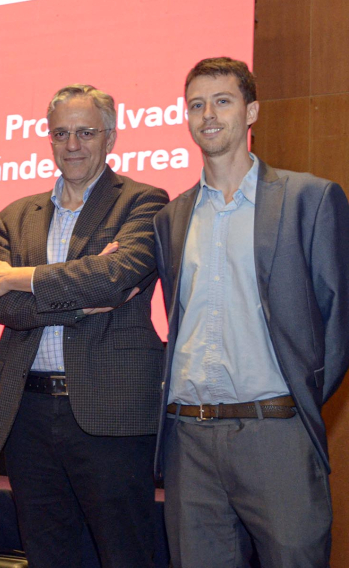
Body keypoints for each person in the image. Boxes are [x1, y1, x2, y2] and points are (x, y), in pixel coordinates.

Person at [153, 57, 349, 567]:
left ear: (252, 110)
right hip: (189, 442)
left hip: (275, 435)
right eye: (196, 104)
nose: (208, 114)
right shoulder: (172, 217)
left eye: (223, 101)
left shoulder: (310, 198)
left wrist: (292, 401)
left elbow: (337, 325)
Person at [0, 84, 168, 567]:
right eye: (61, 133)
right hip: (28, 414)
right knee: (48, 555)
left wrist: (22, 279)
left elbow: (116, 277)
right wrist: (80, 303)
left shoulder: (144, 202)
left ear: (111, 137)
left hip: (111, 413)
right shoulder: (15, 216)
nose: (73, 144)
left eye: (86, 132)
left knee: (126, 554)